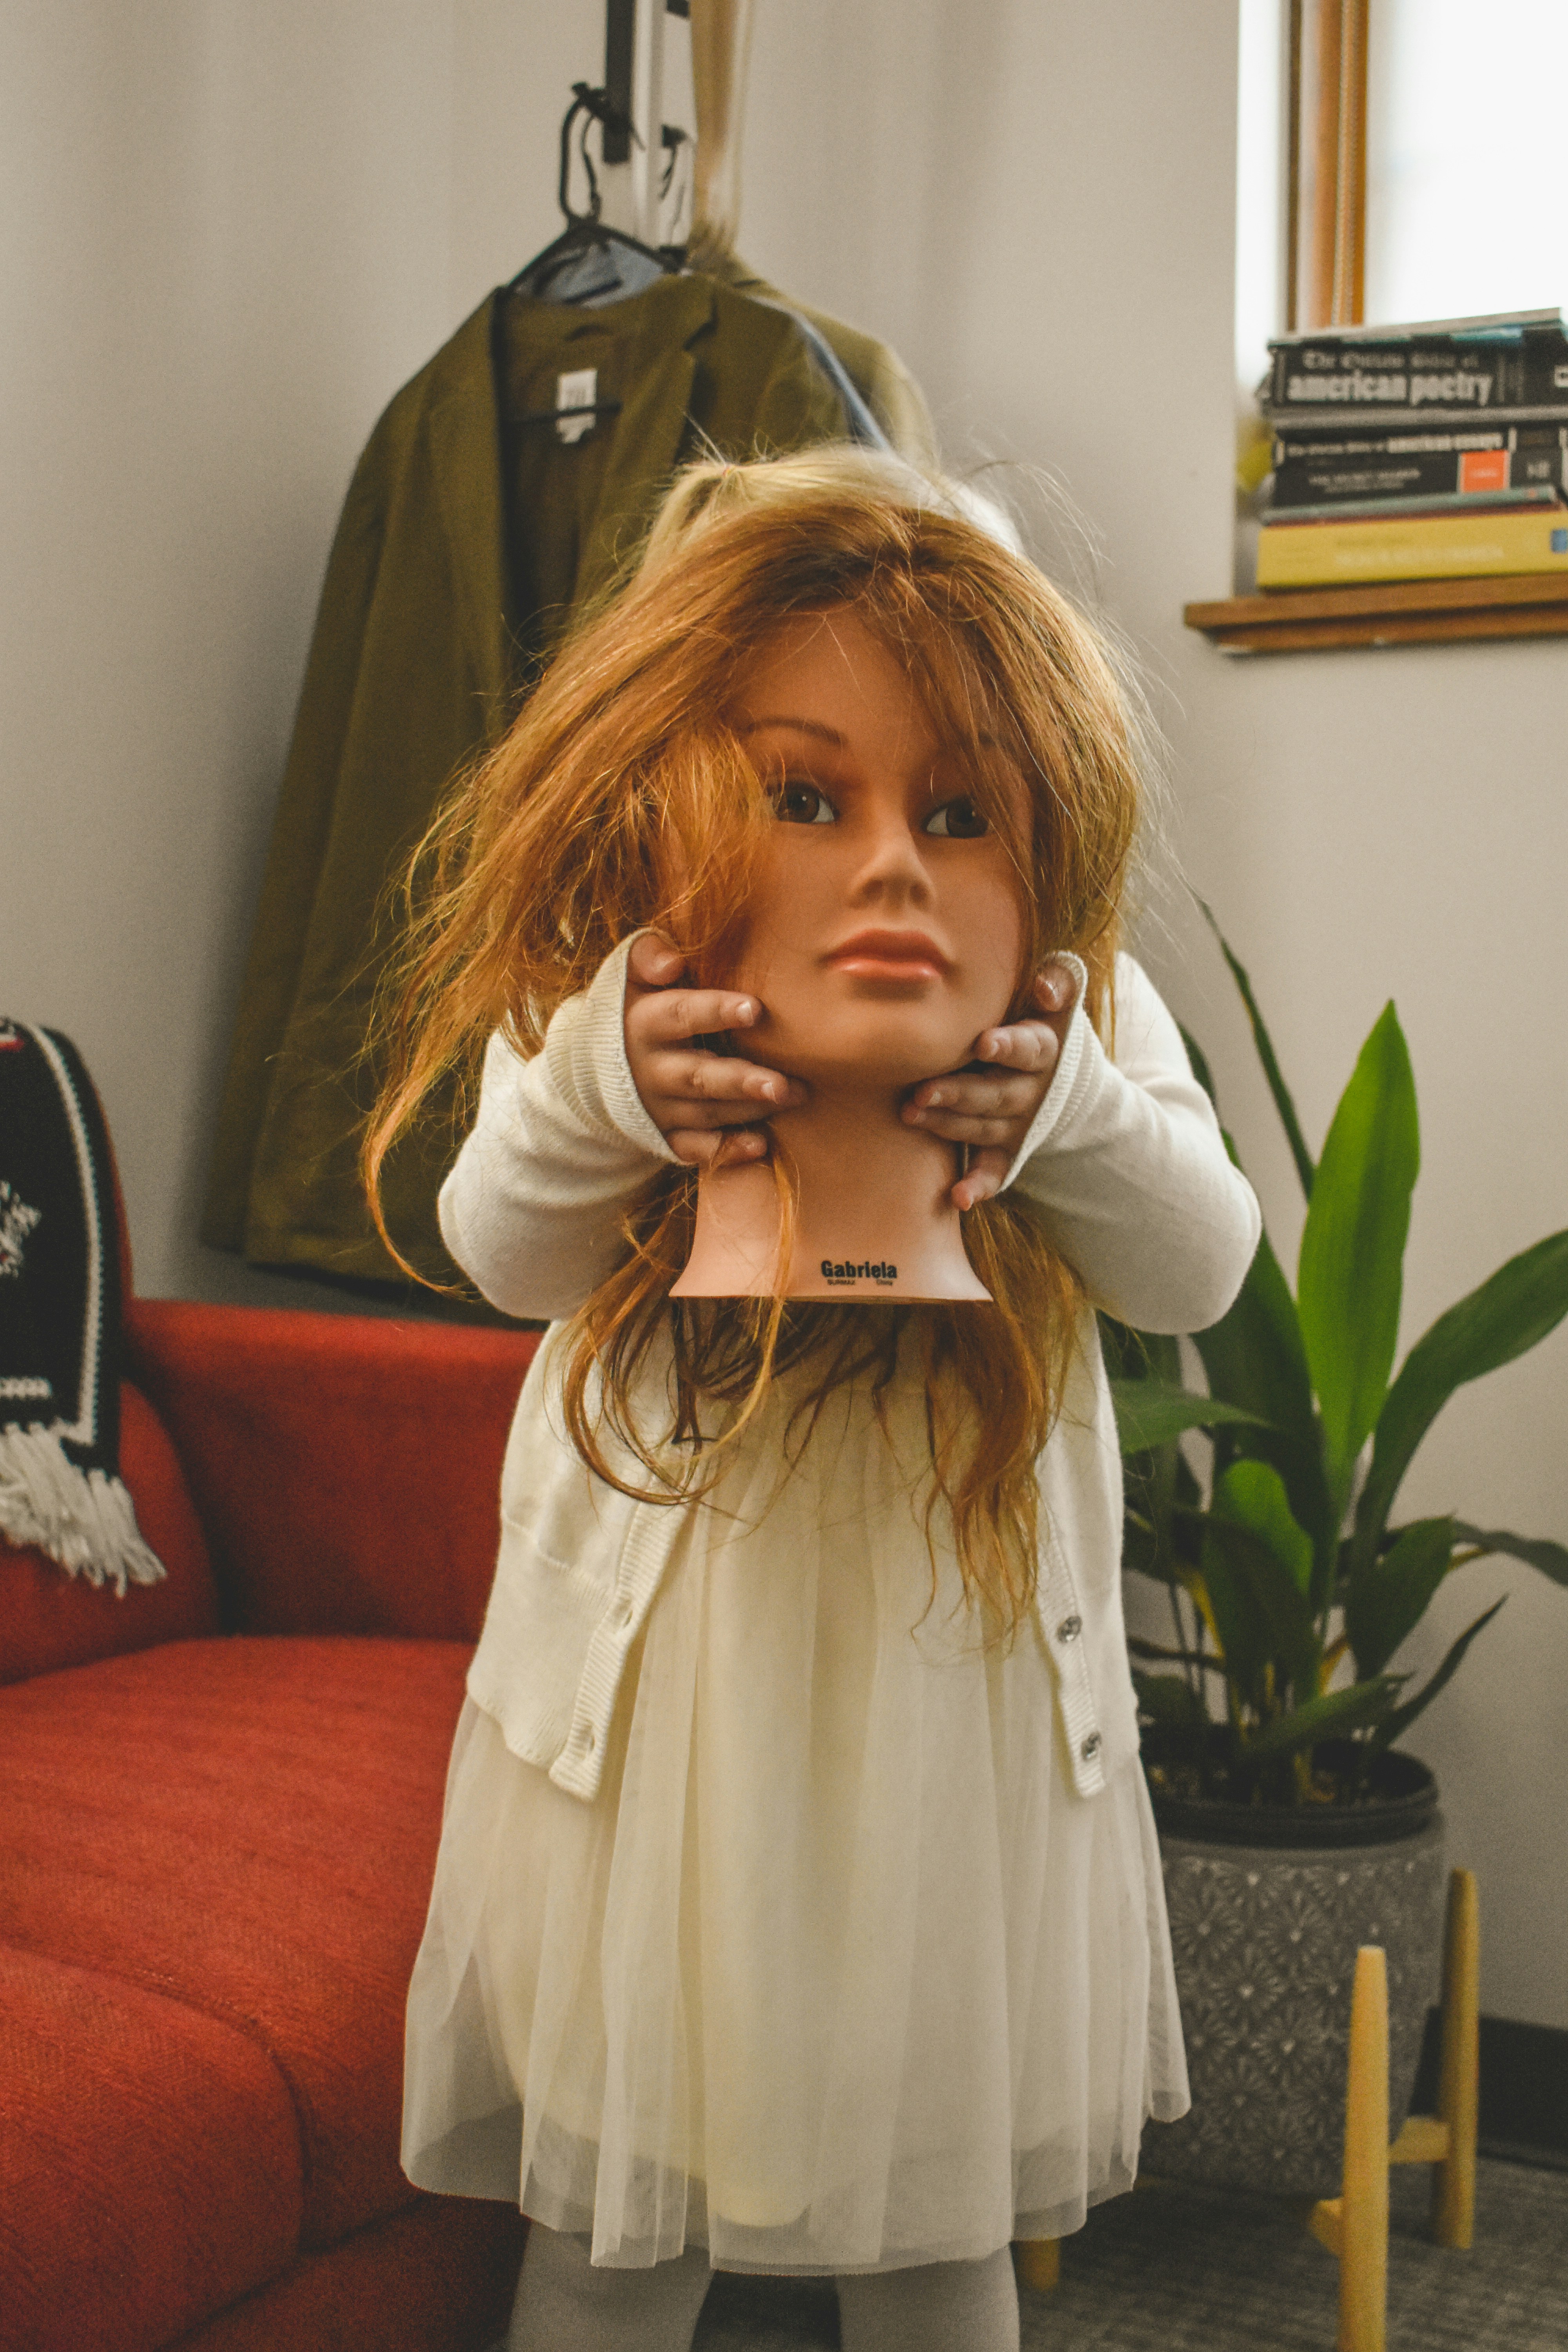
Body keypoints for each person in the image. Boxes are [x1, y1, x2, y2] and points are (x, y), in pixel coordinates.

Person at [369, 446, 1261, 2352]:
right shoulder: (625, 998)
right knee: (615, 2226)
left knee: (935, 2224)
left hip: (950, 1708)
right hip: (667, 1705)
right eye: (805, 793)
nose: (884, 864)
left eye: (954, 809)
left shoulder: (1075, 1010)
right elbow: (495, 1252)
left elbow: (1200, 1265)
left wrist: (1075, 1108)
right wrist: (600, 1086)